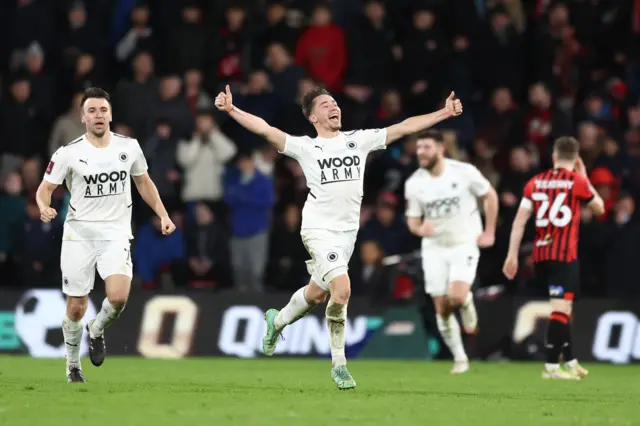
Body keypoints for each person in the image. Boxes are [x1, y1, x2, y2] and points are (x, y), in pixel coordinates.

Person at [214, 84, 462, 389]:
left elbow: (403, 127)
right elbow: (266, 130)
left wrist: (444, 112)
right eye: (325, 104)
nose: (334, 107)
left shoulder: (357, 141)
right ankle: (339, 364)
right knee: (341, 290)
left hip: (346, 234)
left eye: (335, 102)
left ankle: (275, 322)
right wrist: (232, 110)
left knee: (317, 294)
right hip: (318, 229)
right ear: (313, 117)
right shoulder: (306, 147)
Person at [35, 87, 176, 383]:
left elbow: (144, 183)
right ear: (83, 117)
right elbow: (44, 189)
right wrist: (44, 207)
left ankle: (96, 329)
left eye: (103, 110)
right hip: (79, 234)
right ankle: (73, 365)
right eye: (92, 111)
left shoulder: (129, 147)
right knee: (76, 306)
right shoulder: (68, 153)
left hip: (115, 233)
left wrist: (162, 214)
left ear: (110, 115)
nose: (98, 115)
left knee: (119, 296)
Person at [502, 136, 605, 380]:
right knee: (561, 309)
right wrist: (585, 176)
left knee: (563, 308)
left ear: (554, 157)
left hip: (540, 255)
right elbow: (600, 208)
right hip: (563, 255)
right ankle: (550, 367)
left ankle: (570, 361)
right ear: (576, 159)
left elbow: (519, 221)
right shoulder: (577, 181)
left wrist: (511, 256)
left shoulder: (536, 182)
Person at [404, 129, 499, 375]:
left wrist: (489, 231)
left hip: (463, 243)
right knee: (442, 308)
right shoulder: (414, 183)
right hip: (434, 248)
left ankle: (465, 299)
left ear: (440, 149)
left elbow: (490, 195)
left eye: (426, 147)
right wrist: (419, 228)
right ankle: (460, 358)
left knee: (455, 296)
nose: (420, 152)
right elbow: (412, 220)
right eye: (418, 148)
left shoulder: (463, 172)